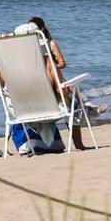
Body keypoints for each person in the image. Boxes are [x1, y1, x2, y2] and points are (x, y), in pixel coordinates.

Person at [19, 16, 101, 150]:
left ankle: (87, 109)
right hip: (42, 85)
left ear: (41, 29)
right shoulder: (27, 49)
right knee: (72, 94)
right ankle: (89, 109)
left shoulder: (50, 44)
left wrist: (50, 64)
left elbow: (62, 63)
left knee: (70, 92)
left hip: (50, 80)